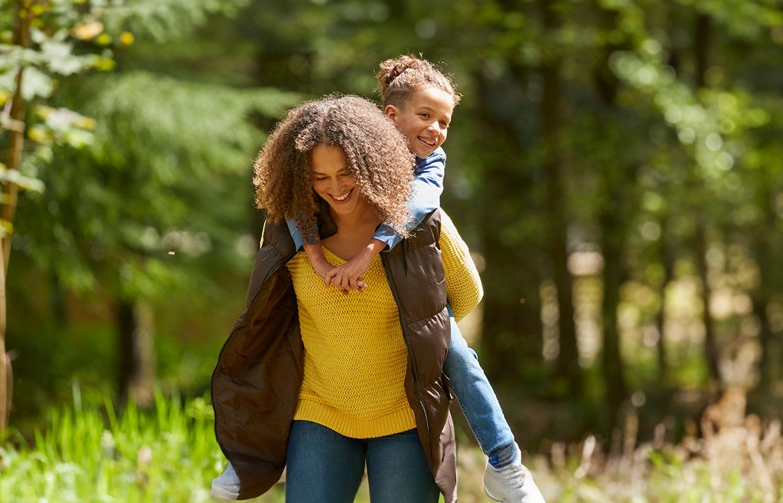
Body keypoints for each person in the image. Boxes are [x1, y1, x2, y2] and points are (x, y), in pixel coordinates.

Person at [213, 59, 544, 502]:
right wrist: (317, 259)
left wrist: (410, 323)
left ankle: (505, 463)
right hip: (319, 412)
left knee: (461, 356)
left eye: (346, 173)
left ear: (370, 159)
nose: (336, 187)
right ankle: (246, 463)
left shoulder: (425, 220)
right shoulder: (289, 227)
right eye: (320, 178)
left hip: (406, 415)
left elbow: (466, 295)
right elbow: (271, 313)